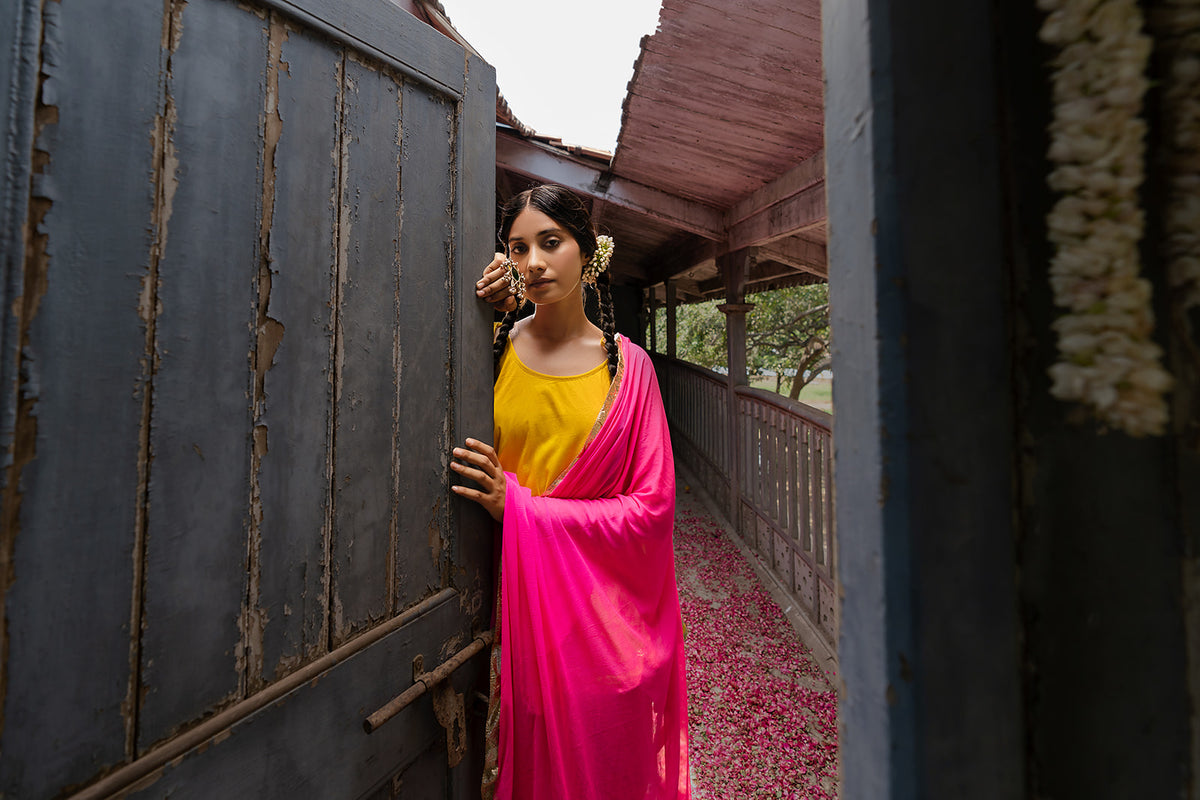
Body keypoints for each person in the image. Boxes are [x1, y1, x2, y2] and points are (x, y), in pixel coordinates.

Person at [450, 184, 690, 799]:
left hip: (593, 618)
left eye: (550, 243)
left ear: (588, 252)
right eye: (518, 247)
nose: (533, 263)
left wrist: (521, 506)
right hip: (499, 596)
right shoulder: (492, 344)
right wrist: (476, 307)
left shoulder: (626, 369)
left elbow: (651, 508)